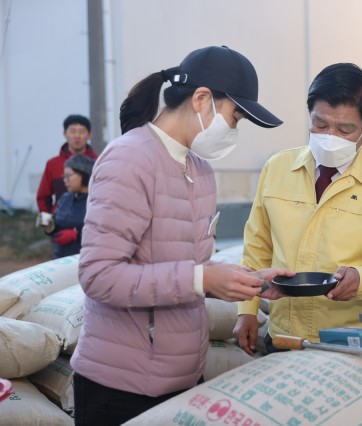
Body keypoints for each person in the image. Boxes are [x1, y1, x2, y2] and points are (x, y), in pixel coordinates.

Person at [70, 46, 294, 426]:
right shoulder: (130, 159)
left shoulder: (200, 170)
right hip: (122, 386)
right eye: (235, 116)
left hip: (182, 377)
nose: (235, 129)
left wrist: (247, 282)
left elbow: (187, 263)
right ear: (202, 99)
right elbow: (99, 275)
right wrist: (201, 278)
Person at [233, 63, 362, 355]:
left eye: (345, 129)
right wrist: (247, 310)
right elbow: (258, 246)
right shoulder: (277, 169)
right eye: (320, 125)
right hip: (284, 337)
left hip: (350, 344)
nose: (330, 136)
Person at [36, 154, 95, 259]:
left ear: (84, 175)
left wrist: (77, 235)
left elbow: (102, 233)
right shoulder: (65, 198)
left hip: (84, 260)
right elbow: (58, 225)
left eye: (69, 176)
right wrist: (50, 227)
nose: (65, 180)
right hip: (59, 260)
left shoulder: (96, 201)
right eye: (64, 176)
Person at [36, 114, 98, 213]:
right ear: (65, 133)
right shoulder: (53, 164)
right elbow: (43, 197)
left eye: (82, 131)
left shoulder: (98, 163)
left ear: (89, 135)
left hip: (92, 219)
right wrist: (50, 221)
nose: (77, 136)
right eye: (73, 131)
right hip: (61, 221)